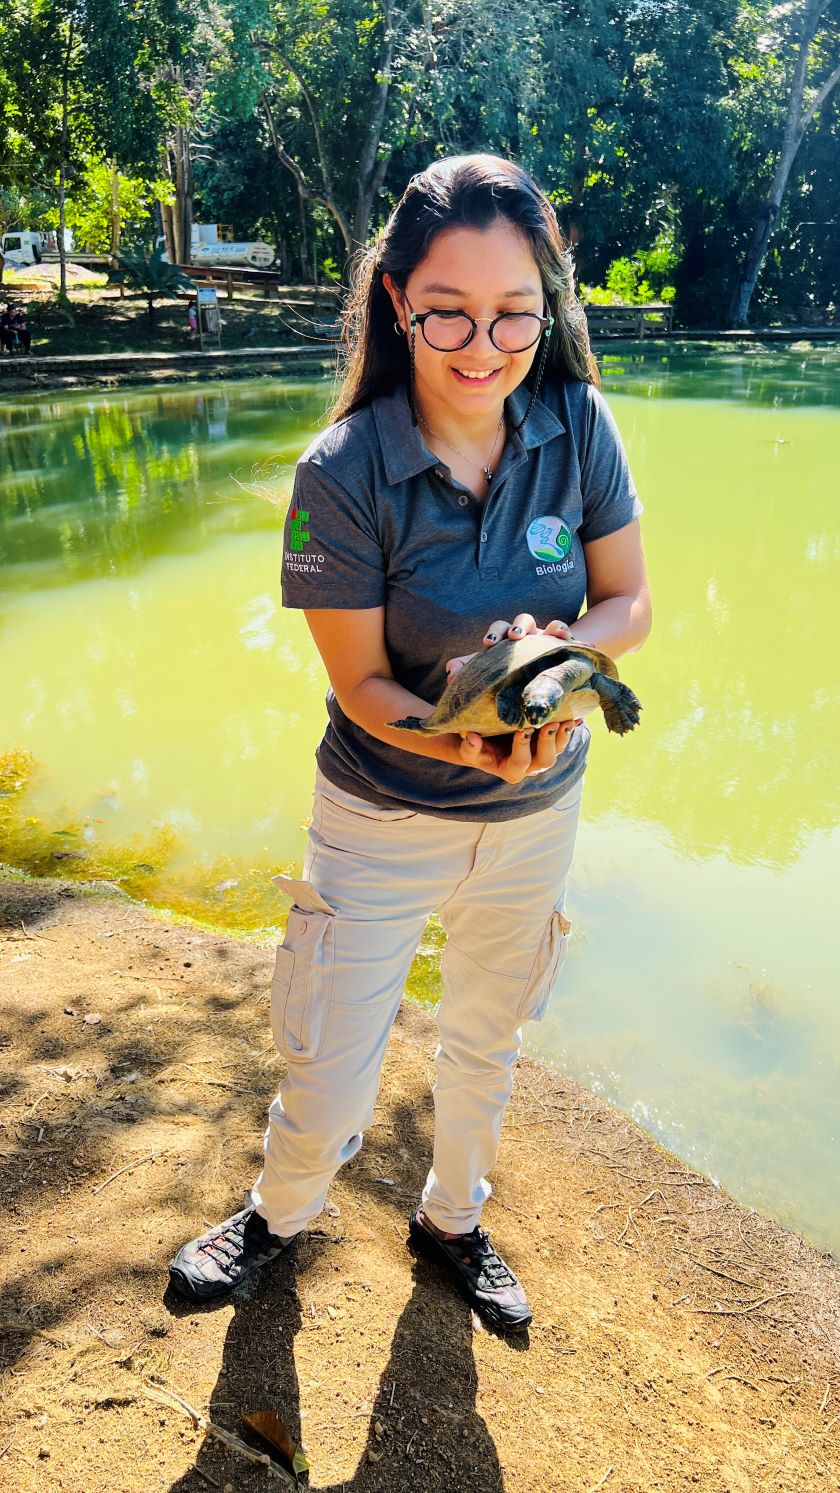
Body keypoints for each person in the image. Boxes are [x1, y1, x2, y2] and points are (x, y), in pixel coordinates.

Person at [169, 153, 651, 1331]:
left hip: (535, 812)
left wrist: (562, 669)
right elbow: (364, 686)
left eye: (513, 313)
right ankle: (280, 1214)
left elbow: (628, 602)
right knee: (330, 1062)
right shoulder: (337, 474)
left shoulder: (576, 421)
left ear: (548, 302)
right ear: (394, 300)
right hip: (382, 812)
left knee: (486, 1039)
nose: (483, 345)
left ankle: (453, 1218)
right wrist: (466, 741)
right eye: (447, 311)